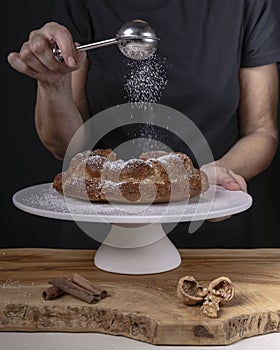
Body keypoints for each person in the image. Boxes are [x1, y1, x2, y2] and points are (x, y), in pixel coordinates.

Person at [7, 0, 280, 248]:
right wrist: (53, 83)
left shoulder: (246, 5)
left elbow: (262, 131)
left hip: (210, 235)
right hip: (101, 236)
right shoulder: (85, 5)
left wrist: (209, 177)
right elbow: (67, 145)